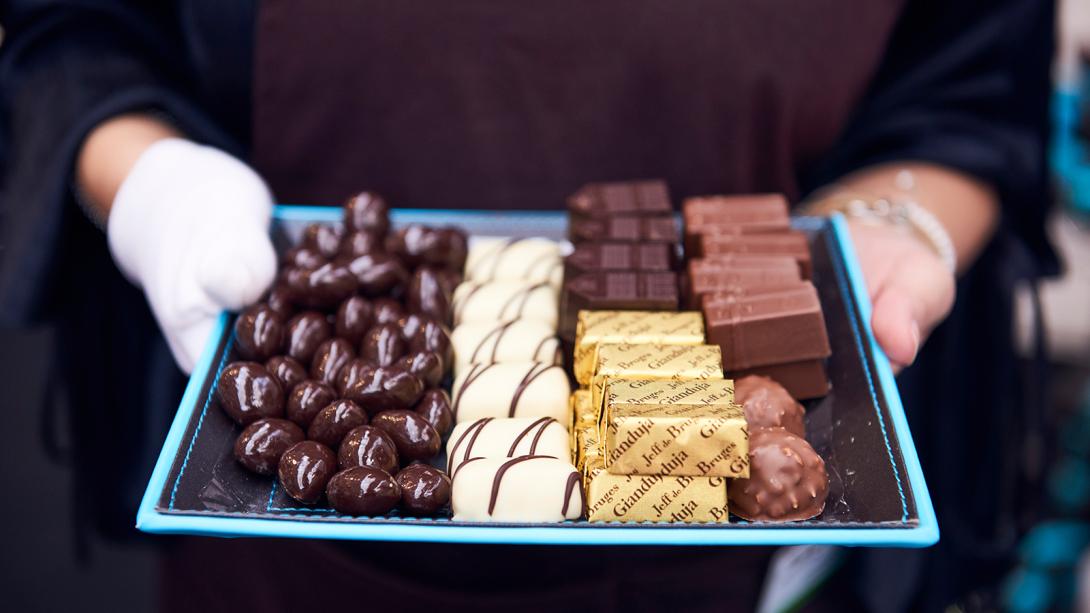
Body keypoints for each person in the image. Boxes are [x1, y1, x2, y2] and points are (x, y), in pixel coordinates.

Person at [0, 0, 1057, 610]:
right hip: (277, 557)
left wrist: (890, 224)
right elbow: (80, 29)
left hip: (748, 562)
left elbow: (965, 98)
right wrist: (148, 180)